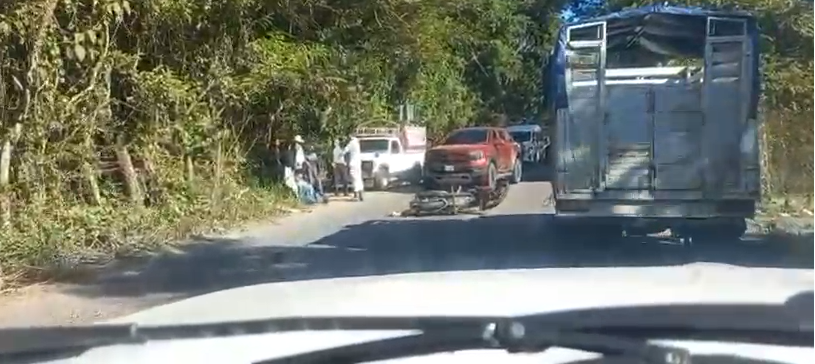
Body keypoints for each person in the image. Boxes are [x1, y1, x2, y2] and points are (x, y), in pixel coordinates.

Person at [343, 136, 364, 201]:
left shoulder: (351, 143)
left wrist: (340, 154)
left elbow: (345, 151)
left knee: (354, 179)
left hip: (353, 163)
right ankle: (360, 194)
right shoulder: (357, 143)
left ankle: (356, 195)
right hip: (358, 163)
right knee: (359, 178)